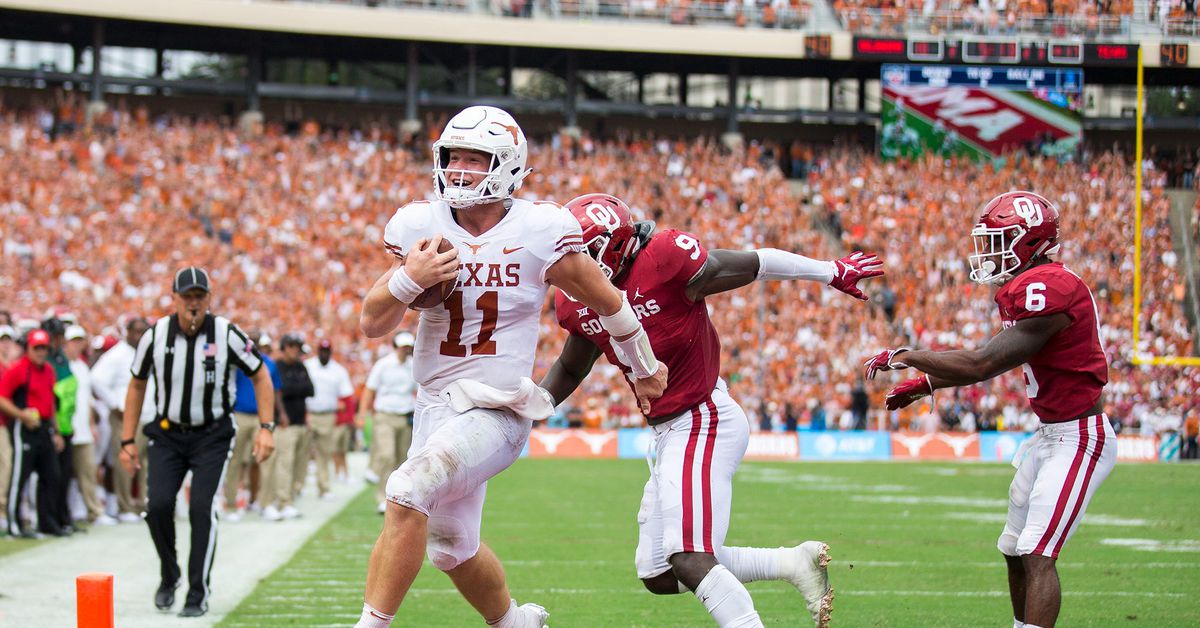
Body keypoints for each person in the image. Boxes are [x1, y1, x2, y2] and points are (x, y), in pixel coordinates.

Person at [354, 105, 668, 628]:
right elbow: (371, 321)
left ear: (506, 165)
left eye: (474, 159)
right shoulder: (419, 223)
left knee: (408, 488)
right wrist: (410, 279)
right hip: (434, 404)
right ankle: (517, 622)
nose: (458, 170)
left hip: (497, 407)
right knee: (451, 548)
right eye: (452, 157)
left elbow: (609, 301)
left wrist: (642, 367)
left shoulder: (541, 227)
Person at [542, 193, 882, 627]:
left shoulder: (665, 259)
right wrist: (530, 406)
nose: (570, 264)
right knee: (659, 572)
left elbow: (755, 263)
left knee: (688, 556)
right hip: (668, 432)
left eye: (581, 252)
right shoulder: (577, 301)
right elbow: (572, 364)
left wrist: (829, 271)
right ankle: (792, 564)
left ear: (612, 246)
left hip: (703, 416)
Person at [864, 191, 1115, 628]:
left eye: (998, 240)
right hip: (1049, 435)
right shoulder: (1029, 288)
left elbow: (984, 362)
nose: (989, 252)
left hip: (1080, 438)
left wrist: (909, 356)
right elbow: (997, 358)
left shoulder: (1051, 288)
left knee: (1037, 552)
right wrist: (927, 382)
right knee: (1014, 547)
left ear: (1029, 241)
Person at [118, 267, 277, 618]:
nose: (193, 304)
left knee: (201, 508)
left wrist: (267, 427)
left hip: (212, 434)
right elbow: (136, 384)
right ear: (173, 298)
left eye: (199, 297)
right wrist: (127, 439)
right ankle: (169, 573)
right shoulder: (155, 335)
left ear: (209, 298)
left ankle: (196, 591)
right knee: (157, 506)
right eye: (186, 297)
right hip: (167, 432)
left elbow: (261, 373)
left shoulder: (226, 333)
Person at [0, 329, 67, 537]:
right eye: (36, 348)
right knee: (20, 476)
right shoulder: (19, 369)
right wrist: (21, 415)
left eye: (43, 348)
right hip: (25, 427)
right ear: (28, 348)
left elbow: (51, 403)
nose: (40, 352)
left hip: (44, 427)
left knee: (52, 475)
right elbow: (2, 397)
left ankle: (47, 523)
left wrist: (56, 432)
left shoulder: (48, 370)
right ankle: (14, 524)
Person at [91, 316, 154, 523]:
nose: (140, 335)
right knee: (125, 461)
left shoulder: (149, 352)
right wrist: (114, 405)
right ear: (127, 332)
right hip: (126, 416)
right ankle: (125, 506)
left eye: (144, 331)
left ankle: (143, 505)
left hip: (148, 416)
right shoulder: (117, 354)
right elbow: (97, 379)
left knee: (146, 463)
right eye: (136, 331)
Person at [224, 331, 283, 522]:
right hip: (239, 414)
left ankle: (265, 503)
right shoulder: (236, 360)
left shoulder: (270, 364)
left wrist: (277, 416)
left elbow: (274, 391)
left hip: (261, 417)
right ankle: (231, 505)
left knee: (267, 459)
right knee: (234, 461)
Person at [360, 331, 417, 514]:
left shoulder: (413, 366)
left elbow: (420, 390)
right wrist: (362, 414)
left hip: (405, 417)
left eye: (408, 347)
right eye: (403, 347)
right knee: (387, 455)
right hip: (385, 415)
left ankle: (396, 497)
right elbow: (369, 389)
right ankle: (381, 497)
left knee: (401, 460)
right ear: (395, 347)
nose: (405, 351)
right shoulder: (383, 365)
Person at [261, 334, 313, 521]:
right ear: (283, 347)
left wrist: (294, 389)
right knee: (284, 463)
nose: (294, 349)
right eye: (291, 345)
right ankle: (282, 502)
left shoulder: (301, 366)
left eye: (297, 346)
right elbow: (279, 392)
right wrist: (295, 390)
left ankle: (286, 499)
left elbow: (310, 389)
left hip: (300, 421)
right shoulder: (277, 366)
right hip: (284, 424)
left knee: (298, 465)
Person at [61, 324, 110, 525]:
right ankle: (65, 512)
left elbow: (88, 400)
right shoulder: (62, 366)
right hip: (66, 427)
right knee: (63, 474)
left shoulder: (82, 367)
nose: (77, 345)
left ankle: (94, 511)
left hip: (83, 430)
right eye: (73, 341)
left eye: (79, 341)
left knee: (88, 471)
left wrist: (91, 425)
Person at [303, 338, 353, 500]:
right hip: (308, 413)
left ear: (331, 352)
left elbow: (346, 396)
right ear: (318, 351)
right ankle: (297, 485)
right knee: (301, 452)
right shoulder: (308, 366)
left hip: (327, 415)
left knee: (324, 453)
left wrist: (343, 419)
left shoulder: (338, 371)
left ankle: (324, 487)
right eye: (322, 351)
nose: (324, 354)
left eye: (327, 351)